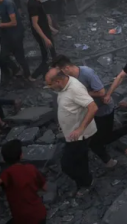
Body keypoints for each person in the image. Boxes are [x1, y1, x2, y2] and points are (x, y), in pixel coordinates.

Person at [50, 55, 117, 168]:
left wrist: (81, 94)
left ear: (66, 68)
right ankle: (106, 158)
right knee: (94, 139)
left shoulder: (87, 73)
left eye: (59, 71)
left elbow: (101, 92)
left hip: (103, 110)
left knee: (103, 137)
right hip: (89, 112)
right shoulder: (68, 79)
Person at [45, 67, 97, 196]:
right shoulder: (64, 86)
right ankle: (84, 182)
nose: (49, 88)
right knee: (80, 159)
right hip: (73, 134)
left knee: (67, 165)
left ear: (58, 81)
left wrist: (80, 128)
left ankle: (86, 183)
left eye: (50, 85)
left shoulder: (75, 89)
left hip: (79, 136)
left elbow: (93, 107)